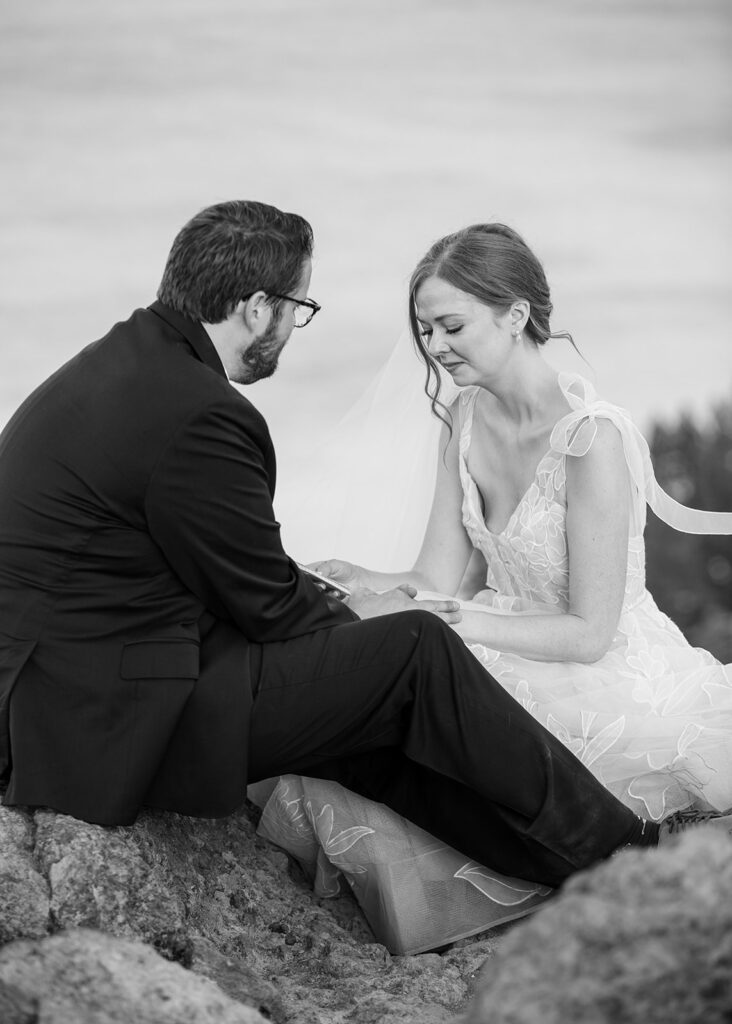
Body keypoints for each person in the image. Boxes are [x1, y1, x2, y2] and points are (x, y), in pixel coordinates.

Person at [0, 203, 727, 951]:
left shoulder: (123, 367)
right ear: (258, 308)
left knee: (377, 703)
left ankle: (571, 864)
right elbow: (270, 608)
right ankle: (624, 852)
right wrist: (362, 607)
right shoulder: (200, 414)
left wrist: (341, 593)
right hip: (113, 715)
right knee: (410, 652)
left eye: (452, 326)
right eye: (299, 310)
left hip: (75, 691)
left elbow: (217, 565)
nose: (435, 346)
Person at [257, 222, 732, 951]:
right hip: (487, 636)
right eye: (425, 330)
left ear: (515, 315)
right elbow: (435, 579)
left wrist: (457, 625)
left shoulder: (592, 440)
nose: (437, 346)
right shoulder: (467, 417)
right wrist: (359, 576)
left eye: (451, 325)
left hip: (598, 670)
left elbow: (590, 631)